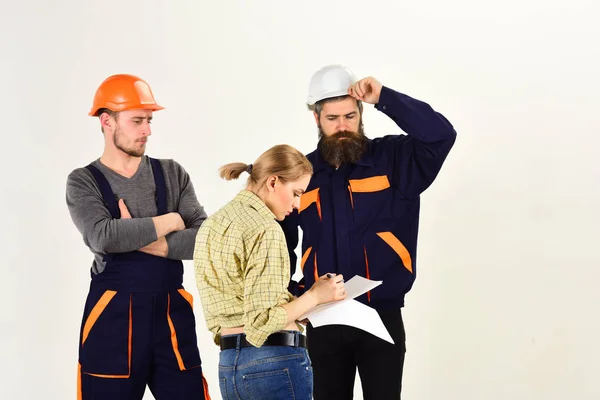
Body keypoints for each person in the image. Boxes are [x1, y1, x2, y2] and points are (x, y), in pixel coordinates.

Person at [279, 65, 458, 399]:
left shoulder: (393, 159)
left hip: (382, 316)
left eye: (350, 116)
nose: (343, 126)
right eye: (333, 118)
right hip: (324, 319)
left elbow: (441, 135)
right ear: (316, 119)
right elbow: (281, 242)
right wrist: (292, 297)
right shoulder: (302, 174)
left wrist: (384, 98)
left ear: (361, 112)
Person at [66, 74, 211, 400]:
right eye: (137, 121)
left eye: (148, 120)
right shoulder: (83, 181)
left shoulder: (172, 173)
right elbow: (103, 236)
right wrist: (171, 220)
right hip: (111, 318)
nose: (147, 130)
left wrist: (141, 237)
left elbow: (204, 239)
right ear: (107, 121)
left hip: (171, 314)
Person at [193, 144, 347, 400]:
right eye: (296, 193)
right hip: (273, 362)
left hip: (230, 364)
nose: (297, 205)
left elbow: (243, 301)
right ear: (273, 181)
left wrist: (295, 307)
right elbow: (260, 323)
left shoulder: (213, 223)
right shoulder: (265, 228)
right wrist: (314, 297)